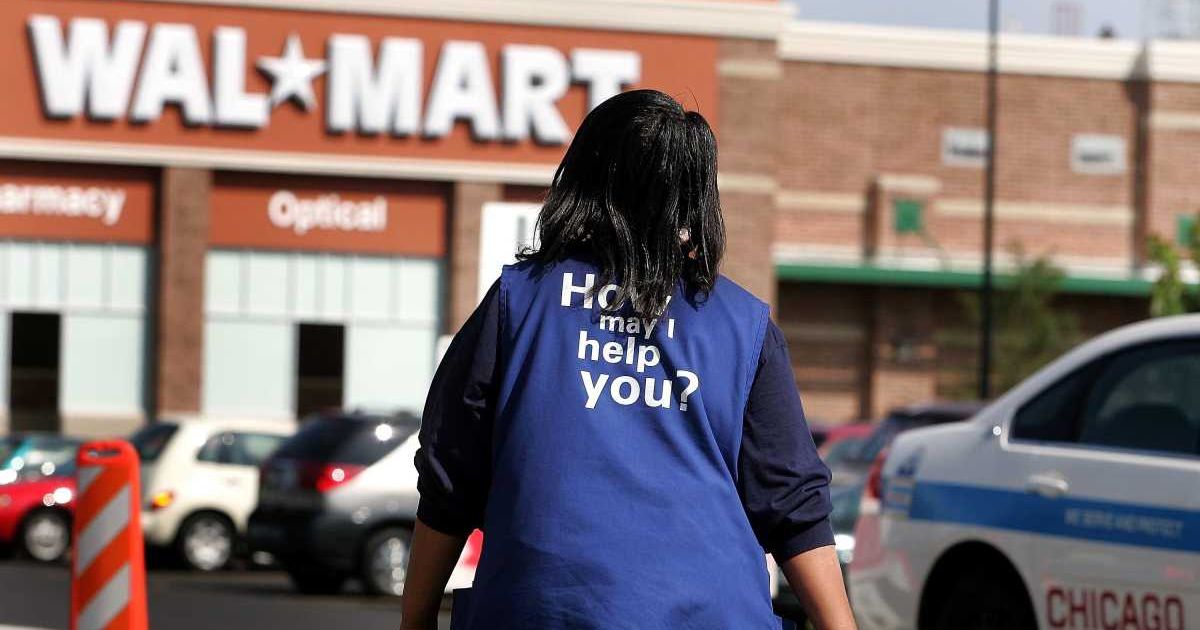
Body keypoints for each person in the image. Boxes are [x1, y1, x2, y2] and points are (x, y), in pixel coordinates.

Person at [401, 89, 855, 630]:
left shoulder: (518, 303)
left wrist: (417, 616)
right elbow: (793, 505)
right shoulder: (742, 325)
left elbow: (451, 476)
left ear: (584, 177)